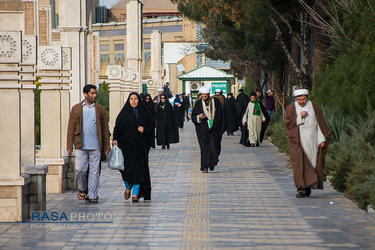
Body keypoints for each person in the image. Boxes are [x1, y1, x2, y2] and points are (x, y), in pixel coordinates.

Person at [284, 89, 331, 198]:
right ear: (296, 99)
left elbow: (318, 124)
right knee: (299, 165)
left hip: (313, 139)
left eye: (303, 99)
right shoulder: (291, 108)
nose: (301, 101)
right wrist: (299, 117)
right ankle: (301, 189)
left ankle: (308, 186)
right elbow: (288, 124)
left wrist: (321, 139)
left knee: (312, 163)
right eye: (299, 99)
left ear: (307, 97)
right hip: (298, 141)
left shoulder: (313, 106)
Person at [67, 84, 110, 203]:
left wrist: (106, 146)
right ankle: (82, 189)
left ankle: (92, 195)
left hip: (96, 145)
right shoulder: (76, 108)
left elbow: (105, 129)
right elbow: (71, 128)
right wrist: (69, 145)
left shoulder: (100, 109)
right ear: (85, 94)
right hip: (81, 145)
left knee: (94, 171)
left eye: (95, 93)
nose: (94, 95)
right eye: (92, 93)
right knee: (81, 169)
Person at [113, 92, 152, 202]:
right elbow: (117, 128)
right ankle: (128, 186)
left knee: (139, 169)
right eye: (131, 99)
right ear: (128, 101)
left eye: (135, 99)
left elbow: (151, 127)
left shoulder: (143, 113)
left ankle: (135, 193)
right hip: (126, 146)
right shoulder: (123, 114)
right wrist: (115, 139)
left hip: (140, 146)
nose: (134, 101)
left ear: (139, 100)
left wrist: (144, 130)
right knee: (126, 169)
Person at [192, 86, 225, 173]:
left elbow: (221, 115)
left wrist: (220, 127)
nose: (204, 97)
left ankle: (212, 163)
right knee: (204, 148)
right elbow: (193, 116)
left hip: (214, 129)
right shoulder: (198, 103)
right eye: (202, 95)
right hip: (203, 129)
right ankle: (205, 166)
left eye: (205, 95)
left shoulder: (216, 101)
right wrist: (199, 117)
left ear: (209, 94)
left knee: (215, 147)